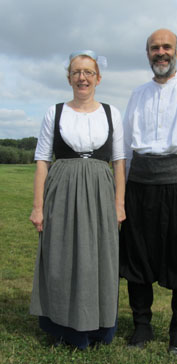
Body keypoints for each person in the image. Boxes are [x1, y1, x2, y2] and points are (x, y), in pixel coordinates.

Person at [119, 29, 177, 355]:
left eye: (166, 47)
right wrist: (122, 196)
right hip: (139, 187)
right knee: (137, 260)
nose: (160, 52)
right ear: (147, 54)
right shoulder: (137, 94)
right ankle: (142, 326)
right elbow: (127, 150)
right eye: (154, 48)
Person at [29, 50, 126, 350]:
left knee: (100, 258)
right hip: (62, 189)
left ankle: (98, 328)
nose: (82, 78)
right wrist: (37, 207)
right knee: (61, 255)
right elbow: (42, 161)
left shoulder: (112, 113)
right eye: (76, 72)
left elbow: (120, 162)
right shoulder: (54, 112)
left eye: (88, 72)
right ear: (68, 77)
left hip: (100, 191)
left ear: (98, 78)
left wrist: (119, 204)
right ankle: (63, 326)